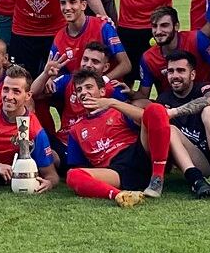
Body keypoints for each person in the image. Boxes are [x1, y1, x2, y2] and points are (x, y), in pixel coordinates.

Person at [64, 69, 172, 207]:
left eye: (89, 87)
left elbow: (147, 117)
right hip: (115, 171)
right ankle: (120, 195)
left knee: (156, 109)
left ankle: (157, 178)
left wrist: (112, 103)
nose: (83, 92)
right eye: (79, 90)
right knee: (73, 175)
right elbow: (79, 168)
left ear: (102, 92)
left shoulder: (117, 111)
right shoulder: (75, 130)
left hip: (139, 154)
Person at [31, 41, 130, 168]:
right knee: (36, 141)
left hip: (92, 145)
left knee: (48, 157)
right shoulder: (68, 80)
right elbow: (32, 94)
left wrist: (132, 94)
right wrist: (46, 75)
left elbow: (130, 114)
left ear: (105, 67)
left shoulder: (112, 89)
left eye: (95, 62)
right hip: (64, 140)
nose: (88, 65)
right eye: (85, 59)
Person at [157, 51, 210, 199]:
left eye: (181, 70)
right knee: (169, 130)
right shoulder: (163, 98)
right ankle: (197, 181)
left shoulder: (203, 87)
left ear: (192, 75)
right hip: (200, 159)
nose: (175, 76)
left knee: (208, 111)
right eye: (171, 71)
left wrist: (174, 112)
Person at [137, 6, 210, 104]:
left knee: (208, 110)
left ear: (176, 26)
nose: (158, 31)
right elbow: (143, 95)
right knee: (138, 104)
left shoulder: (198, 40)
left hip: (203, 103)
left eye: (164, 25)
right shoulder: (148, 58)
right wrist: (128, 93)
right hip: (171, 108)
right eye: (154, 26)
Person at [49, 0, 130, 79]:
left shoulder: (103, 27)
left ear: (83, 5)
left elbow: (126, 65)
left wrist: (103, 81)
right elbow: (55, 71)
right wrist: (49, 79)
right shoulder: (59, 38)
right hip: (78, 89)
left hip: (107, 87)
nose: (67, 8)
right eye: (63, 3)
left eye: (72, 2)